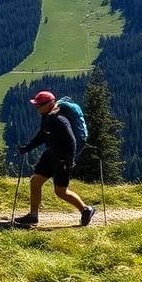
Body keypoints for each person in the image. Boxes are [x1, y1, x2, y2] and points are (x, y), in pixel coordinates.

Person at [14, 90, 96, 227]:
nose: (37, 107)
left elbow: (72, 142)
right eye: (36, 104)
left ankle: (86, 210)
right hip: (51, 153)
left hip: (63, 159)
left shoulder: (60, 120)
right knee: (35, 181)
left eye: (39, 104)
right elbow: (42, 134)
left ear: (50, 104)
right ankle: (33, 216)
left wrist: (67, 161)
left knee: (60, 192)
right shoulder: (46, 116)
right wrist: (28, 147)